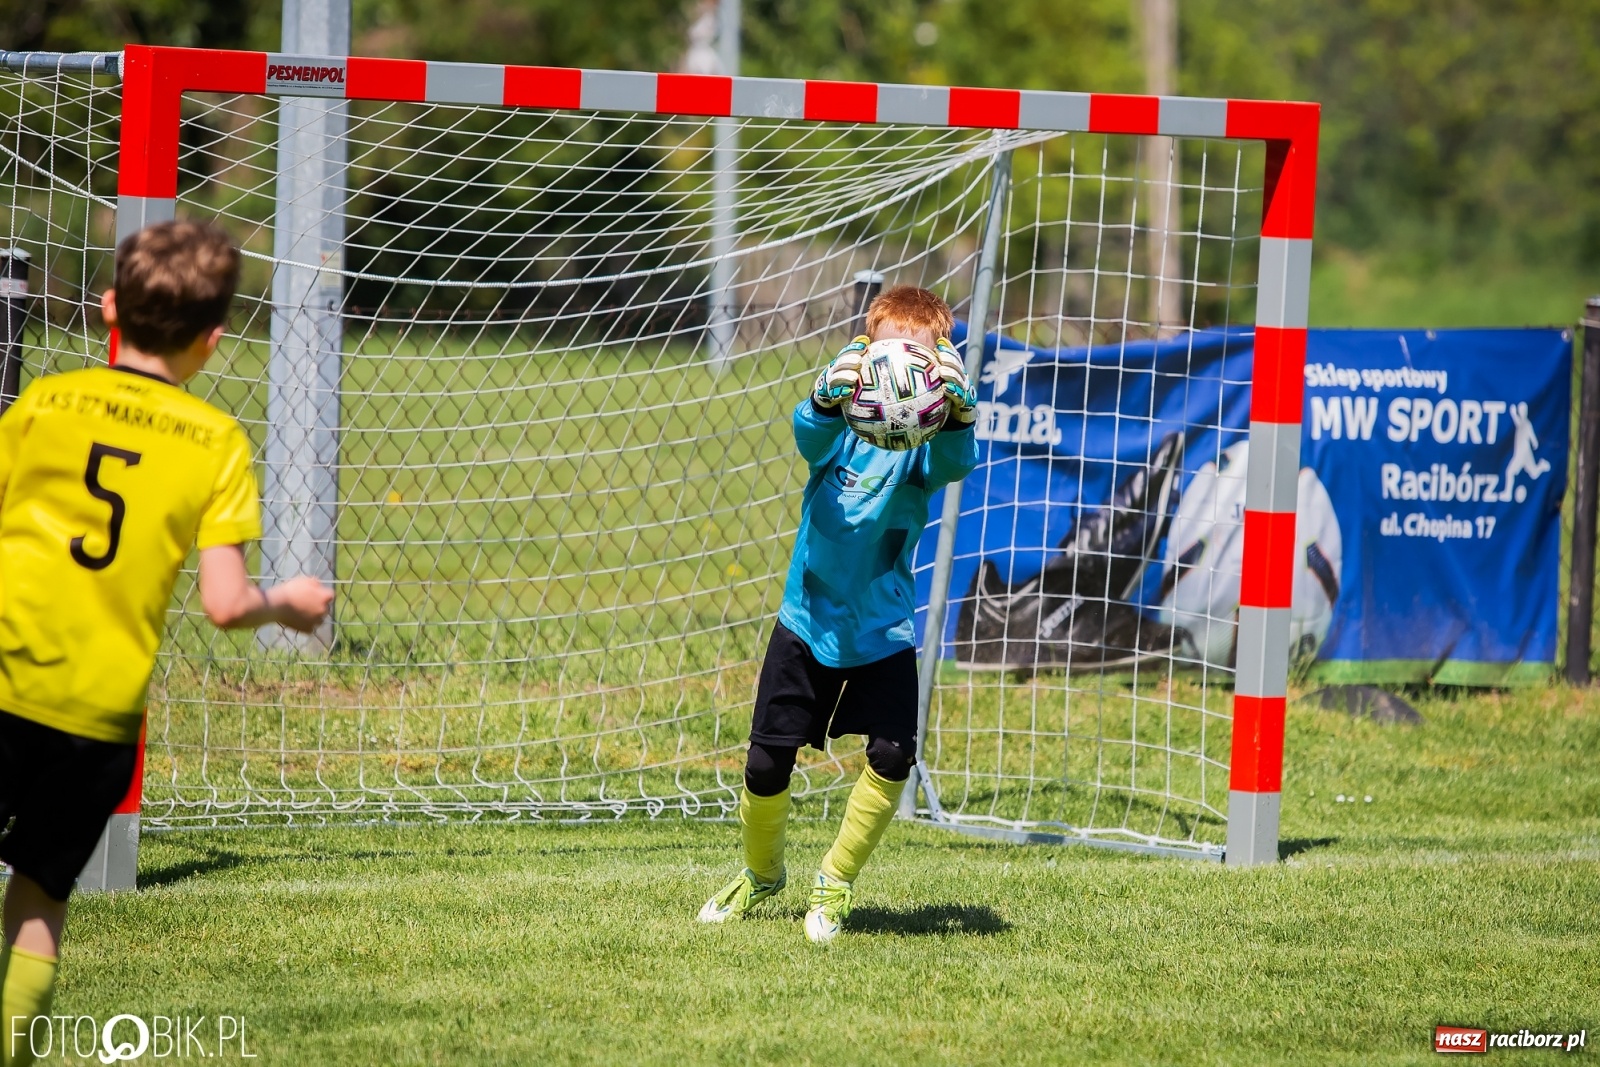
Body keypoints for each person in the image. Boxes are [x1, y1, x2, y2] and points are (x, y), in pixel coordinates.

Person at [0, 220, 334, 1066]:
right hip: (99, 716)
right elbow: (224, 605)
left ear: (110, 306)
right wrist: (287, 605)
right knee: (38, 905)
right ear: (214, 341)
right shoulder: (217, 444)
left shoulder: (44, 402)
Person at [697, 285, 979, 944]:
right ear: (866, 353)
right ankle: (760, 874)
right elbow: (806, 432)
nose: (901, 363)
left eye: (919, 351)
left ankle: (836, 880)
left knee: (892, 753)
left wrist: (961, 417)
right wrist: (825, 396)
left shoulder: (924, 447)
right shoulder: (838, 428)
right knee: (767, 764)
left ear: (937, 364)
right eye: (890, 349)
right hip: (807, 620)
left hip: (881, 630)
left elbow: (956, 462)